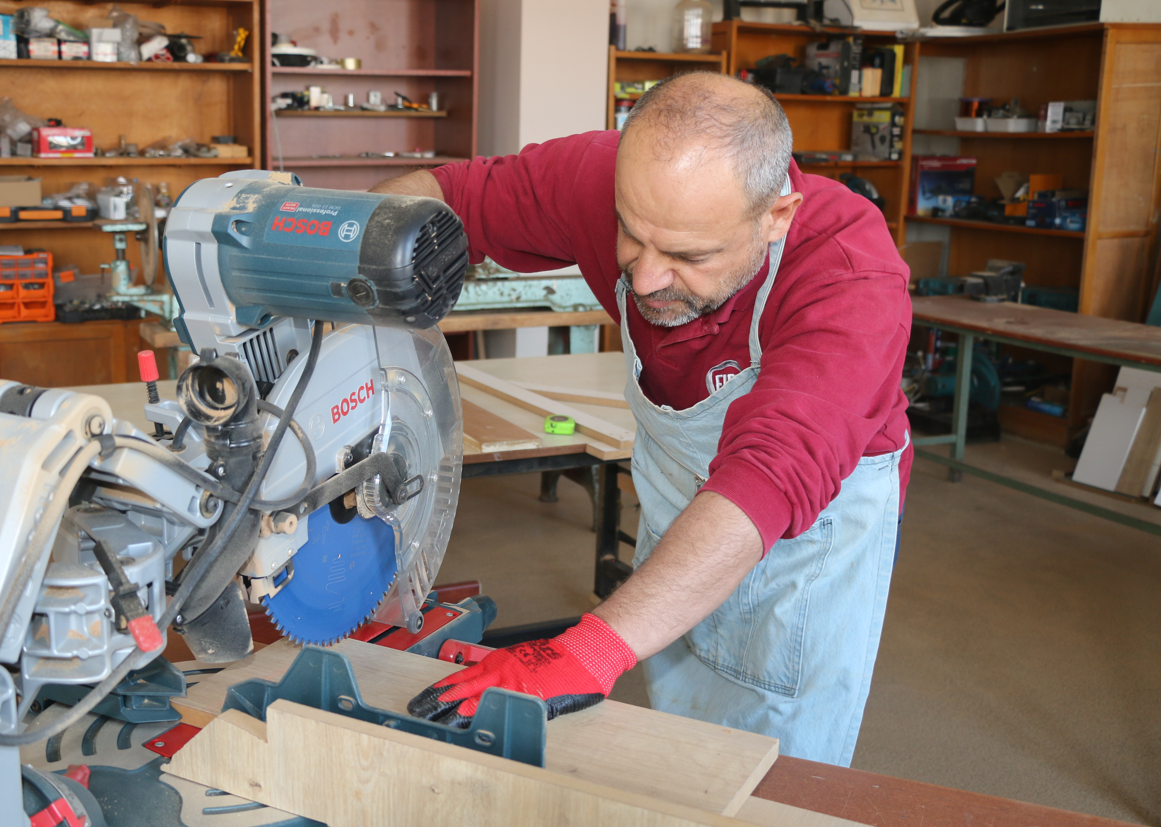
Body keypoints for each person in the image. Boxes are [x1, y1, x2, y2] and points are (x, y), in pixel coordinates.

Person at [374, 72, 911, 766]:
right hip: (681, 483)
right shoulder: (605, 176)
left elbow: (772, 473)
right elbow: (442, 196)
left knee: (769, 773)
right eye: (631, 234)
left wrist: (589, 650)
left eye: (689, 255)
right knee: (680, 739)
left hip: (802, 534)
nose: (647, 277)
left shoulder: (849, 272)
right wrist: (352, 265)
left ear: (775, 216)